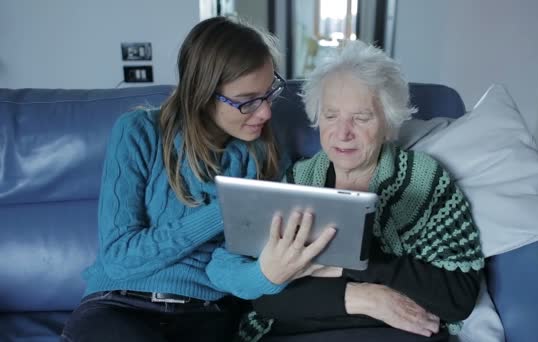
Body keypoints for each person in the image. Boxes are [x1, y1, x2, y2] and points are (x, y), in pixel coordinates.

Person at [61, 17, 336, 342]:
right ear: (202, 93)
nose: (265, 114)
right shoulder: (138, 132)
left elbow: (236, 266)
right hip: (118, 305)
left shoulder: (262, 154)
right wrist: (227, 208)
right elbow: (120, 257)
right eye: (248, 101)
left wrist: (267, 276)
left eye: (269, 93)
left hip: (208, 313)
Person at [238, 41, 485, 342]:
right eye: (331, 116)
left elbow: (457, 298)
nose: (343, 133)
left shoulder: (425, 180)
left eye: (361, 117)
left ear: (388, 121)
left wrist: (351, 267)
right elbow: (265, 298)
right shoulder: (297, 182)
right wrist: (367, 297)